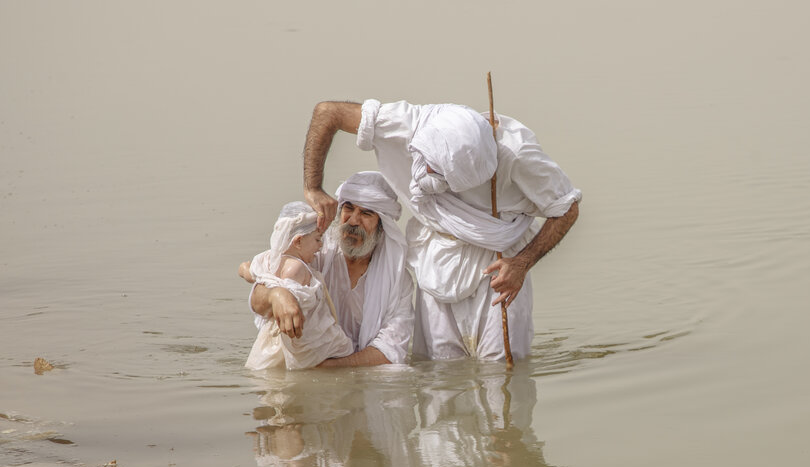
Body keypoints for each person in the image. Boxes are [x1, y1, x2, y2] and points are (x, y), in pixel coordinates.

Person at [303, 99, 581, 361]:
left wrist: (521, 264)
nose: (426, 175)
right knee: (439, 374)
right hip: (433, 253)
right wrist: (313, 187)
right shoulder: (409, 123)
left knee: (501, 375)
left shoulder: (517, 153)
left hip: (499, 260)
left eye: (441, 176)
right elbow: (328, 112)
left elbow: (567, 208)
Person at [247, 172, 414, 367]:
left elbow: (390, 350)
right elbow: (258, 300)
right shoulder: (315, 251)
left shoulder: (397, 280)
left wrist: (330, 368)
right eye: (348, 209)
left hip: (352, 369)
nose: (353, 221)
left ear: (382, 225)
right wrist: (277, 295)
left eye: (366, 213)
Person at [240, 202, 353, 370]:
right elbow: (296, 301)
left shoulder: (267, 260)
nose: (320, 246)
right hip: (303, 334)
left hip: (271, 334)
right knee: (343, 350)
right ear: (298, 241)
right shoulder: (296, 267)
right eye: (317, 239)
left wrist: (243, 269)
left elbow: (249, 273)